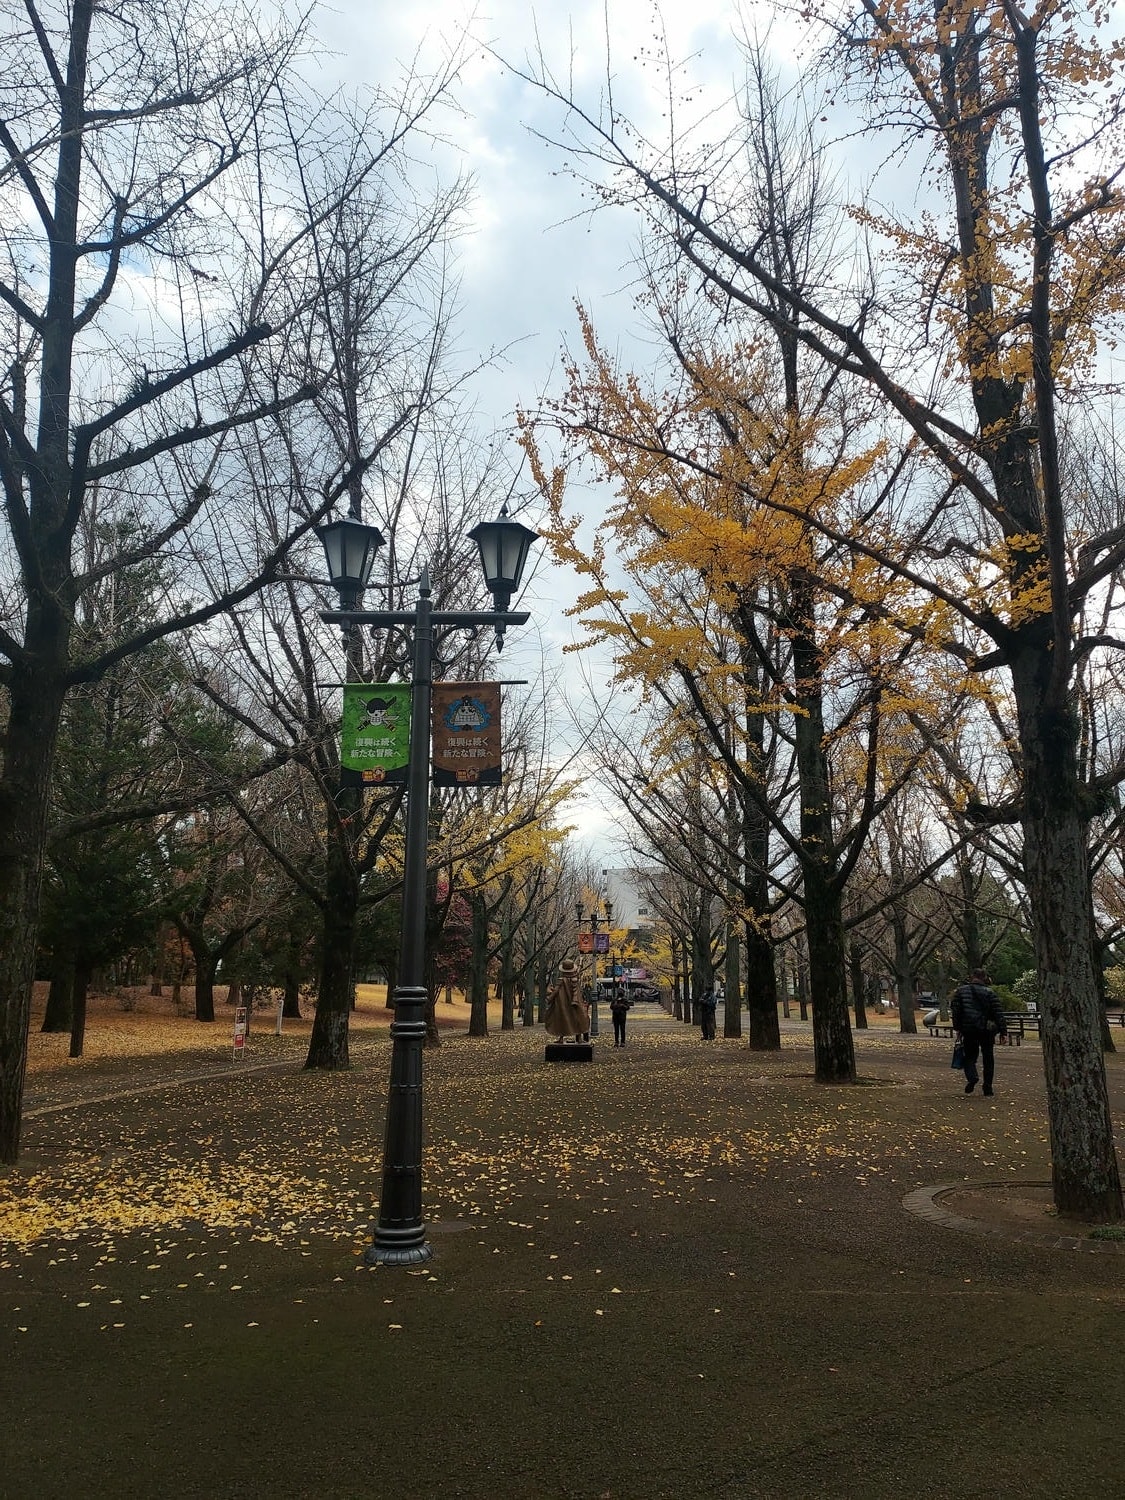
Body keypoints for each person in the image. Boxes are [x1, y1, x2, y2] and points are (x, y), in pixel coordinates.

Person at [951, 968, 1007, 1096]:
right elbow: (998, 1013)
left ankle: (972, 1077)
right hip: (986, 1030)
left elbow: (956, 1011)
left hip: (969, 1029)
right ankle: (988, 1087)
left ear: (972, 976)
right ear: (984, 977)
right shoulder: (990, 993)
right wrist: (1003, 1031)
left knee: (970, 1056)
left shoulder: (961, 992)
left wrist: (958, 1028)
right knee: (988, 1058)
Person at [544, 958, 590, 1043]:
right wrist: (580, 962)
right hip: (575, 1004)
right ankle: (579, 1038)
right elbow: (578, 971)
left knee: (562, 1019)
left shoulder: (561, 980)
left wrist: (549, 998)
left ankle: (561, 1038)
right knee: (578, 1018)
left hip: (563, 1004)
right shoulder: (575, 979)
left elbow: (556, 991)